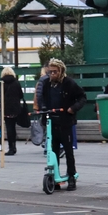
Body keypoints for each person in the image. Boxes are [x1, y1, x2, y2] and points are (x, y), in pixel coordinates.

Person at [40, 58, 86, 191]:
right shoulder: (47, 84)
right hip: (52, 122)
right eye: (50, 72)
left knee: (68, 151)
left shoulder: (69, 83)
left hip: (65, 121)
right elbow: (43, 98)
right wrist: (43, 108)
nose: (52, 74)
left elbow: (82, 97)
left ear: (61, 71)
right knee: (53, 151)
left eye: (55, 72)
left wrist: (73, 108)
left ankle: (71, 176)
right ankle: (55, 177)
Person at [1, 67, 24, 156]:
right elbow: (21, 95)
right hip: (15, 109)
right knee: (13, 127)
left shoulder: (1, 83)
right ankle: (13, 146)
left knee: (9, 127)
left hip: (5, 109)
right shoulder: (16, 83)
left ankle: (11, 147)